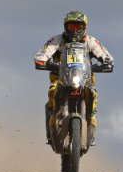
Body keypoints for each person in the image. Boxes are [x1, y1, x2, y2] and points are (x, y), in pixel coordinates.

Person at [34, 10, 114, 145]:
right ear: (66, 27)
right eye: (72, 27)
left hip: (85, 80)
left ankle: (91, 129)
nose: (75, 31)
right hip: (60, 79)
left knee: (93, 95)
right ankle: (51, 129)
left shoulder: (91, 41)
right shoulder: (56, 40)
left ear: (84, 27)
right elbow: (41, 56)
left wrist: (105, 63)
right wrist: (44, 62)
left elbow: (107, 57)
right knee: (52, 92)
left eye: (78, 27)